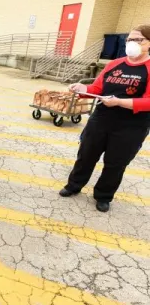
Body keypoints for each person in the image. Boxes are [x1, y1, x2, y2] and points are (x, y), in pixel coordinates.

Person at [59, 24, 150, 212]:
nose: (132, 43)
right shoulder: (114, 64)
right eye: (129, 39)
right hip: (101, 119)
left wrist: (119, 102)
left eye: (138, 40)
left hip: (130, 126)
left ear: (148, 43)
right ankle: (74, 185)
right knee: (86, 155)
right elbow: (97, 89)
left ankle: (103, 195)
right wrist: (82, 89)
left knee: (115, 163)